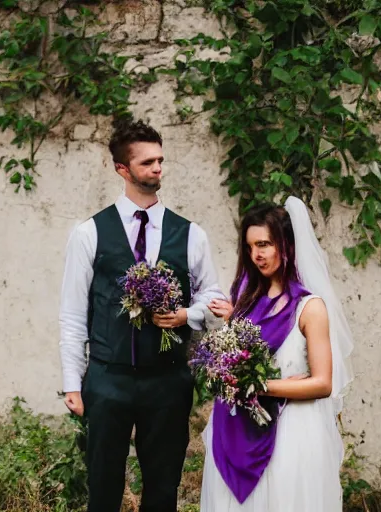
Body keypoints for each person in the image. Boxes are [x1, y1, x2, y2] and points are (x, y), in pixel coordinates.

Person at [58, 118, 225, 511]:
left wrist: (187, 315)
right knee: (102, 486)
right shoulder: (89, 234)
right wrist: (72, 383)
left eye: (161, 161)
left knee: (163, 488)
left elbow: (213, 297)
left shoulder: (191, 234)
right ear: (122, 169)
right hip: (107, 377)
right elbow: (72, 312)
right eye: (148, 162)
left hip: (167, 379)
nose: (157, 169)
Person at [199, 196, 354, 511]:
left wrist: (259, 386)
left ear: (286, 246)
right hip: (239, 434)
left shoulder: (310, 308)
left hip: (291, 435)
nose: (256, 255)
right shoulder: (246, 303)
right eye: (250, 246)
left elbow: (323, 383)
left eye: (265, 244)